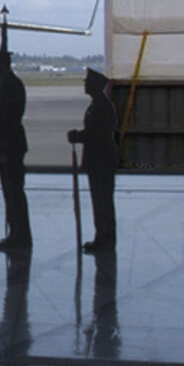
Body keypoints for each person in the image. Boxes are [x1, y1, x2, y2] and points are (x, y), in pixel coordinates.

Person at [0, 15, 32, 250]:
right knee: (12, 193)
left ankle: (20, 235)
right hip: (11, 144)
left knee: (14, 192)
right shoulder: (8, 83)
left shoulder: (10, 85)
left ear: (2, 64)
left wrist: (3, 147)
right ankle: (16, 233)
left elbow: (8, 119)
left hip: (11, 145)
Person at [68, 67, 119, 251]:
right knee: (100, 200)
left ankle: (105, 237)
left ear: (96, 86)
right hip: (100, 159)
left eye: (88, 83)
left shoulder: (100, 106)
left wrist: (78, 136)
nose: (85, 85)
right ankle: (103, 235)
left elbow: (96, 133)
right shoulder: (98, 104)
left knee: (102, 200)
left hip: (101, 160)